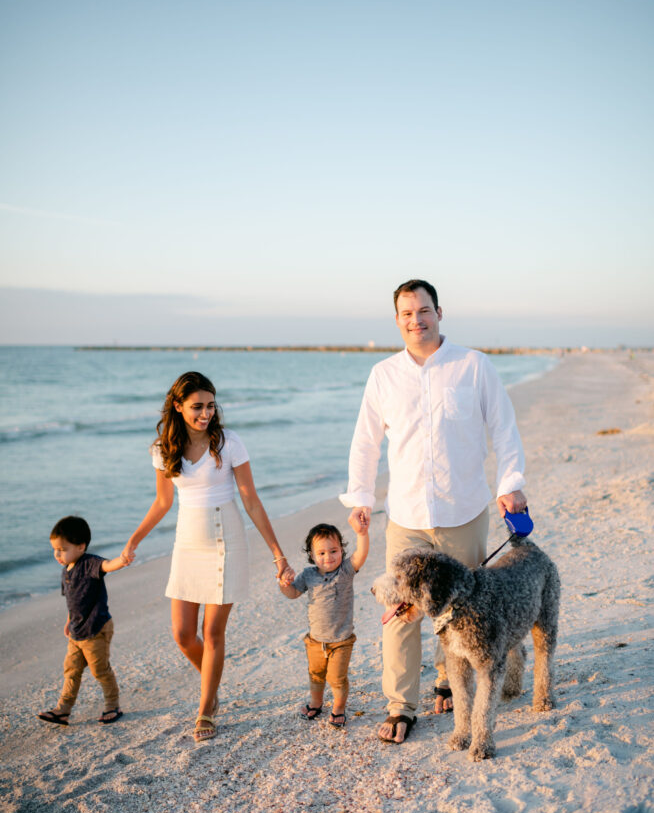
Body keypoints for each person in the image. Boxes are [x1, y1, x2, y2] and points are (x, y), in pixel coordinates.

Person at [340, 279, 527, 743]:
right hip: (406, 516)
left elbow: (504, 428)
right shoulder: (384, 375)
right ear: (397, 320)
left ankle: (449, 679)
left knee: (464, 611)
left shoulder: (474, 365)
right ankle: (402, 706)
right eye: (406, 313)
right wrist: (360, 497)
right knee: (401, 612)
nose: (415, 320)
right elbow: (365, 441)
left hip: (463, 510)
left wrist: (511, 485)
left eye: (423, 310)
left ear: (439, 312)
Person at [123, 371, 289, 743]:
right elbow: (163, 502)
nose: (206, 413)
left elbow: (250, 499)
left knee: (212, 632)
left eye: (210, 406)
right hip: (187, 544)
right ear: (178, 406)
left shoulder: (229, 443)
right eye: (197, 406)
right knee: (183, 634)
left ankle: (205, 708)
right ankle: (211, 687)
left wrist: (277, 553)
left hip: (225, 540)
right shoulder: (162, 449)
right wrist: (134, 538)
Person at [38, 515, 131, 727]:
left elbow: (107, 565)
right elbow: (72, 601)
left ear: (80, 546)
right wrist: (68, 621)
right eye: (55, 549)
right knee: (71, 670)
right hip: (77, 631)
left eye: (62, 549)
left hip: (96, 628)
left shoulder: (89, 563)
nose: (57, 554)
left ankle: (113, 705)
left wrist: (122, 560)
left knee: (100, 670)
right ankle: (63, 710)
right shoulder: (65, 572)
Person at [278, 521, 369, 728]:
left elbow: (361, 554)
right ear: (312, 555)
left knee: (336, 678)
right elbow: (293, 593)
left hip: (341, 640)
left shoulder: (345, 570)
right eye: (321, 553)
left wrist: (362, 533)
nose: (328, 557)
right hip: (315, 640)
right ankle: (316, 702)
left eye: (334, 551)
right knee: (316, 675)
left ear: (342, 550)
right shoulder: (308, 575)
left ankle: (338, 707)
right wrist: (283, 583)